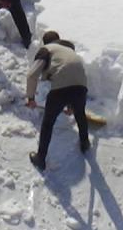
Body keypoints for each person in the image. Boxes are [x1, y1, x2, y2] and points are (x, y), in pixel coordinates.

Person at [26, 31, 90, 171]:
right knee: (80, 114)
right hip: (81, 86)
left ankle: (40, 158)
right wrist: (71, 104)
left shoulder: (46, 50)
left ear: (46, 42)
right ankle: (85, 143)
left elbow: (32, 75)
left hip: (61, 88)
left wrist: (30, 98)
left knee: (48, 123)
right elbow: (70, 72)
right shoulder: (69, 51)